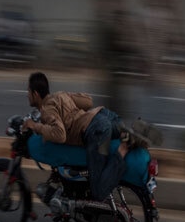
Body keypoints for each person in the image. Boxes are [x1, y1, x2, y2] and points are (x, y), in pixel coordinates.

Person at [21, 72, 133, 213]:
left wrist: (35, 126)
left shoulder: (47, 110)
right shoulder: (59, 95)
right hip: (105, 116)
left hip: (96, 130)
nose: (27, 95)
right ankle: (130, 133)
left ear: (36, 94)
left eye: (28, 91)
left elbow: (60, 135)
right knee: (117, 131)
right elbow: (88, 102)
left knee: (98, 191)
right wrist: (67, 98)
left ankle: (122, 150)